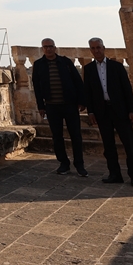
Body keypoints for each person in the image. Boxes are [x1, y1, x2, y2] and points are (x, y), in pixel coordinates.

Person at [83, 37, 133, 187]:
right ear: (91, 50)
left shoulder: (117, 67)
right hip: (102, 111)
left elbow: (127, 89)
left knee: (129, 144)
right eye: (93, 48)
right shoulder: (89, 69)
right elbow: (88, 92)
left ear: (103, 48)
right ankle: (114, 174)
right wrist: (90, 112)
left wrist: (132, 110)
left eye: (98, 47)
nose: (96, 50)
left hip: (120, 110)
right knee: (108, 146)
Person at [31, 38, 87, 176]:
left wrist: (82, 101)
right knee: (57, 136)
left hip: (69, 104)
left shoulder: (65, 62)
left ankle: (79, 164)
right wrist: (41, 106)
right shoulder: (38, 65)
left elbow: (78, 81)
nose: (48, 49)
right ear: (42, 49)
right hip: (51, 106)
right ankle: (64, 163)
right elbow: (37, 87)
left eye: (50, 46)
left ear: (55, 47)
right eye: (45, 47)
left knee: (76, 135)